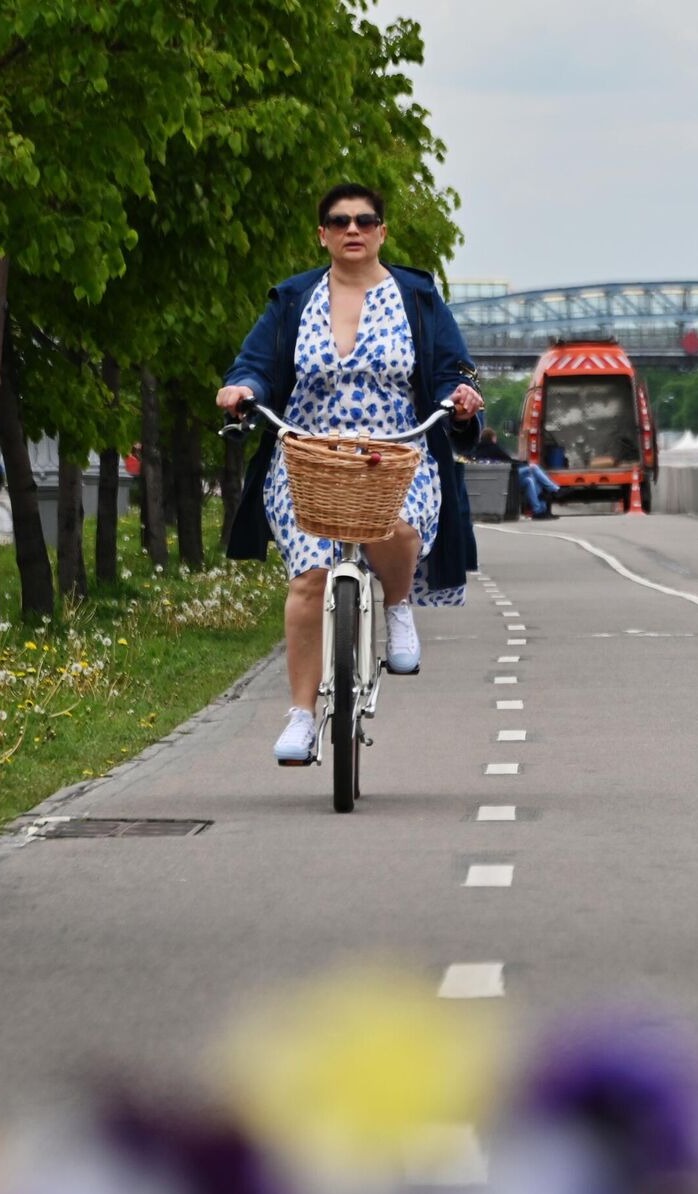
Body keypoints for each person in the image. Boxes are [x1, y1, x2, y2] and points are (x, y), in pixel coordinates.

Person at [218, 183, 485, 764]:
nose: (352, 230)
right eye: (339, 222)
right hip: (309, 456)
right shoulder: (293, 299)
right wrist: (243, 389)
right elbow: (256, 365)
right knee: (310, 577)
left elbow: (451, 371)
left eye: (365, 220)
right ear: (323, 235)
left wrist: (461, 397)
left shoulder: (417, 297)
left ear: (382, 231)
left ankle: (395, 607)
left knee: (397, 526)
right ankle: (300, 717)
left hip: (396, 452)